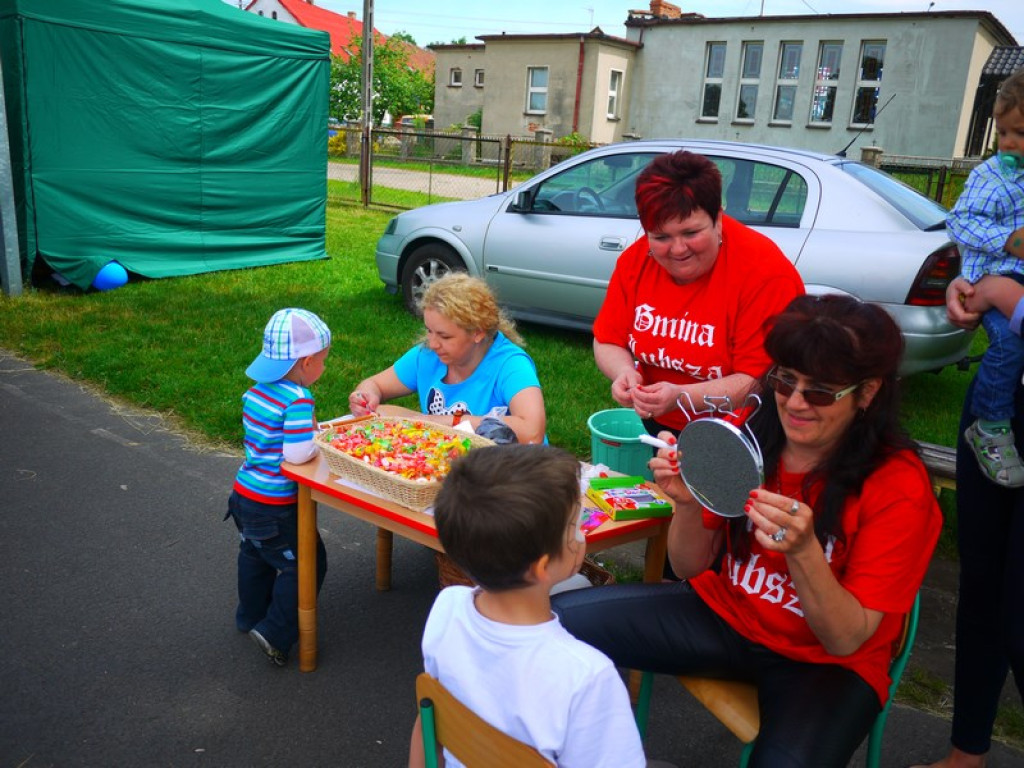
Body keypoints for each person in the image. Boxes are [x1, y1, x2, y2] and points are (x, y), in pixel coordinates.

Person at [554, 294, 942, 767]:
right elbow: (691, 566)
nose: (795, 403)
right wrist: (687, 502)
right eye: (784, 380)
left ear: (867, 393)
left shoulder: (898, 487)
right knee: (551, 625)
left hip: (826, 665)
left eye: (820, 391)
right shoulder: (747, 434)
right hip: (729, 614)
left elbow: (846, 640)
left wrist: (804, 554)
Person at [407, 444, 646, 768]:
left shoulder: (446, 609)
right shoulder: (587, 678)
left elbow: (427, 721)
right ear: (542, 567)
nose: (582, 532)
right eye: (576, 524)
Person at [593, 150, 804, 437]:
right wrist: (624, 373)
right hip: (660, 421)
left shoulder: (765, 273)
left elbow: (758, 381)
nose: (678, 250)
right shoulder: (635, 261)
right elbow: (607, 339)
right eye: (661, 237)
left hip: (741, 429)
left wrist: (682, 397)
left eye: (691, 233)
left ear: (718, 218)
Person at [909, 276, 1024, 768]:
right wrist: (974, 287)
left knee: (1019, 616)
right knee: (981, 589)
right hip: (1000, 409)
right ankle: (966, 751)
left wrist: (1006, 296)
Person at [226, 307, 331, 667]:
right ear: (306, 363)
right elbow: (298, 454)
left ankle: (249, 616)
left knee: (254, 555)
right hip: (275, 504)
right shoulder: (298, 400)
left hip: (243, 496)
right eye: (323, 361)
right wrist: (319, 442)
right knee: (304, 562)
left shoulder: (255, 392)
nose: (323, 368)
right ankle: (276, 631)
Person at [349, 273, 545, 445]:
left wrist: (436, 422)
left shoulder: (510, 364)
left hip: (515, 473)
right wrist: (365, 396)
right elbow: (375, 384)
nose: (432, 343)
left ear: (477, 333)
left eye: (444, 336)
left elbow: (532, 431)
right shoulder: (427, 355)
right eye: (429, 330)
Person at [946, 66, 1024, 487]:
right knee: (1009, 343)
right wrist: (1008, 240)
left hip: (1011, 285)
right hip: (994, 278)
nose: (1009, 144)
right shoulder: (990, 175)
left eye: (1021, 134)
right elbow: (959, 222)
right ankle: (991, 423)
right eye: (1003, 132)